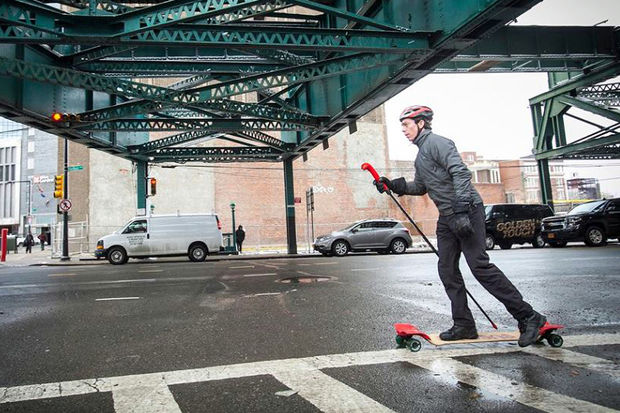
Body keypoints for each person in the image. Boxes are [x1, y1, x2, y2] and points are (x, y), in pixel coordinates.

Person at [374, 105, 546, 347]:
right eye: (402, 126)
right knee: (447, 269)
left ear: (421, 123)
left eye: (407, 124)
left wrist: (463, 210)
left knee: (479, 266)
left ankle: (529, 317)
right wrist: (394, 185)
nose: (403, 130)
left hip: (467, 211)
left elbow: (461, 173)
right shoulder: (421, 155)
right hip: (447, 217)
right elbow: (421, 186)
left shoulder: (438, 143)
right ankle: (464, 324)